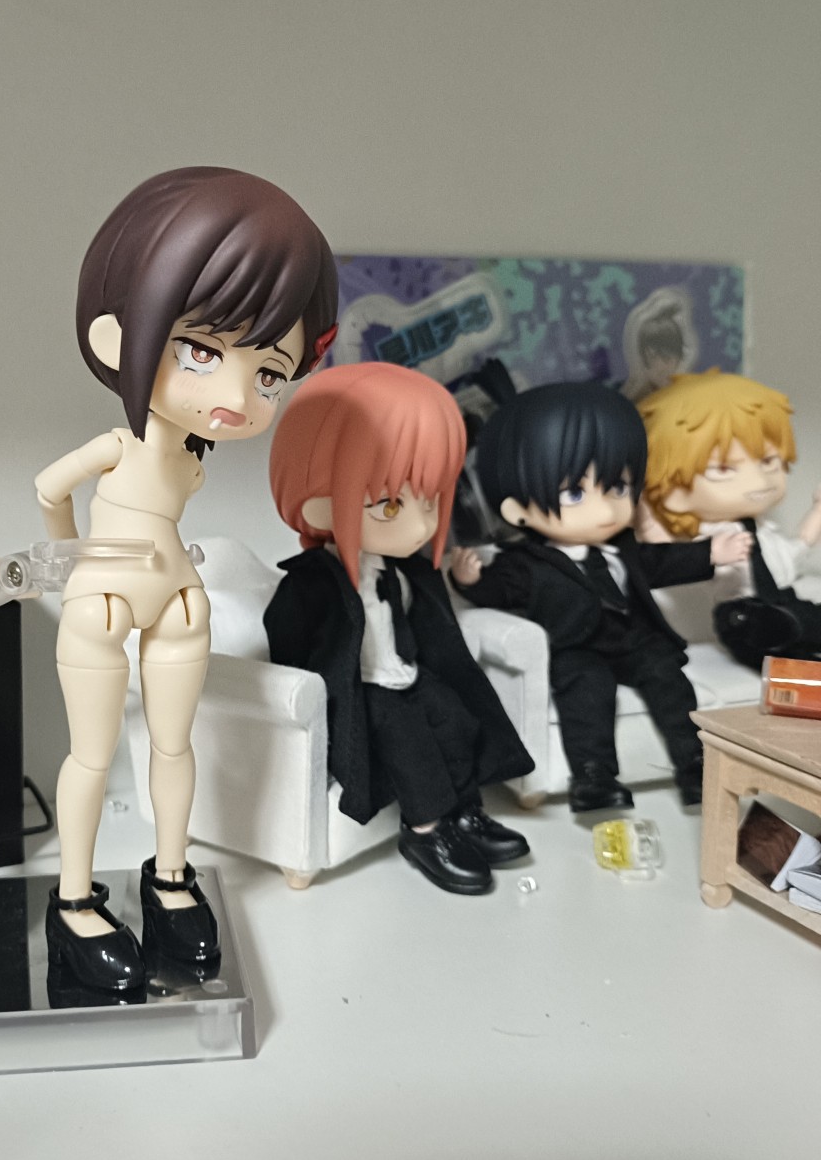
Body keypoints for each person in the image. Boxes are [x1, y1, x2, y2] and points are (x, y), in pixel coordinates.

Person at [35, 167, 337, 998]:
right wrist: (71, 565)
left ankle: (171, 878)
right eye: (201, 351)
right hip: (104, 597)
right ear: (116, 335)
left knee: (175, 744)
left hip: (177, 598)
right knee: (92, 754)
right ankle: (73, 902)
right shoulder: (117, 445)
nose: (238, 394)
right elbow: (48, 489)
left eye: (269, 372)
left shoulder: (192, 461)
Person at [264, 362, 533, 896]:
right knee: (408, 741)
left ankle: (465, 811)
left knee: (456, 717)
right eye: (390, 505)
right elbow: (288, 641)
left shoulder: (404, 571)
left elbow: (428, 626)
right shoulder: (310, 583)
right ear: (316, 499)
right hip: (360, 692)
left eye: (430, 500)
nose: (422, 524)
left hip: (404, 673)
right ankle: (425, 830)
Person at [449, 382, 751, 812]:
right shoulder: (526, 562)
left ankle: (694, 765)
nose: (607, 508)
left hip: (635, 639)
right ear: (518, 509)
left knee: (668, 679)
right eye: (574, 493)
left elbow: (660, 562)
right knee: (587, 694)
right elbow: (499, 589)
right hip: (575, 646)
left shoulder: (622, 548)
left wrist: (710, 553)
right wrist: (470, 581)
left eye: (618, 487)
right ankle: (593, 776)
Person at [638, 370, 821, 669]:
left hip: (786, 601)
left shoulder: (765, 531)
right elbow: (658, 548)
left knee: (803, 619)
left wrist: (817, 511)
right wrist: (646, 498)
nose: (759, 480)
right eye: (723, 469)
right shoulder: (709, 538)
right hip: (743, 616)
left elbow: (799, 546)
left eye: (768, 461)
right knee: (774, 637)